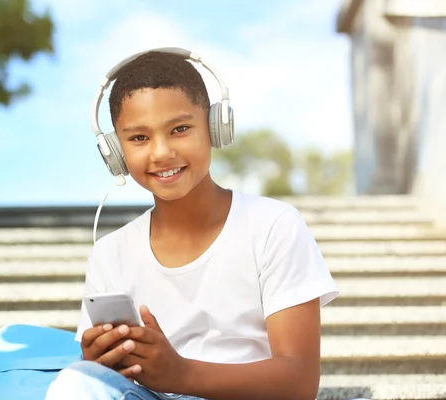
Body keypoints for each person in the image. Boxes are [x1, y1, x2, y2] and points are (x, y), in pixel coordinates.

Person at [44, 47, 340, 400]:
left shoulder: (273, 226)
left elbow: (300, 382)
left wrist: (180, 373)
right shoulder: (110, 253)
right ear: (116, 152)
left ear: (215, 127)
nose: (161, 152)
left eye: (180, 129)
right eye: (139, 138)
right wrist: (101, 364)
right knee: (76, 383)